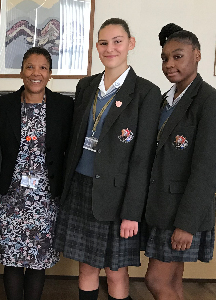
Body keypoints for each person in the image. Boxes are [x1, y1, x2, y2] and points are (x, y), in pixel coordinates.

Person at [54, 18, 162, 300]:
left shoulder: (146, 93)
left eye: (118, 41)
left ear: (130, 44)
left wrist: (131, 212)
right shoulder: (86, 86)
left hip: (118, 197)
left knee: (116, 272)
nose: (110, 48)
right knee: (86, 267)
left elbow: (142, 159)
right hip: (81, 188)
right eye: (104, 43)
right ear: (97, 47)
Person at [0, 47, 73, 300]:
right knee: (13, 259)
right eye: (30, 67)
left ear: (50, 74)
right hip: (11, 198)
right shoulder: (4, 105)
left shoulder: (64, 106)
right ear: (21, 72)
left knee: (38, 260)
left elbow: (69, 150)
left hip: (46, 198)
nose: (35, 73)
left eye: (42, 68)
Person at [143, 23, 216, 300]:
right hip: (163, 208)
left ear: (197, 55)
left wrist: (186, 224)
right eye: (164, 58)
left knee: (155, 280)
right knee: (172, 283)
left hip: (182, 213)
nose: (169, 64)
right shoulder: (167, 99)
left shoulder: (208, 101)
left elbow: (207, 168)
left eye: (178, 56)